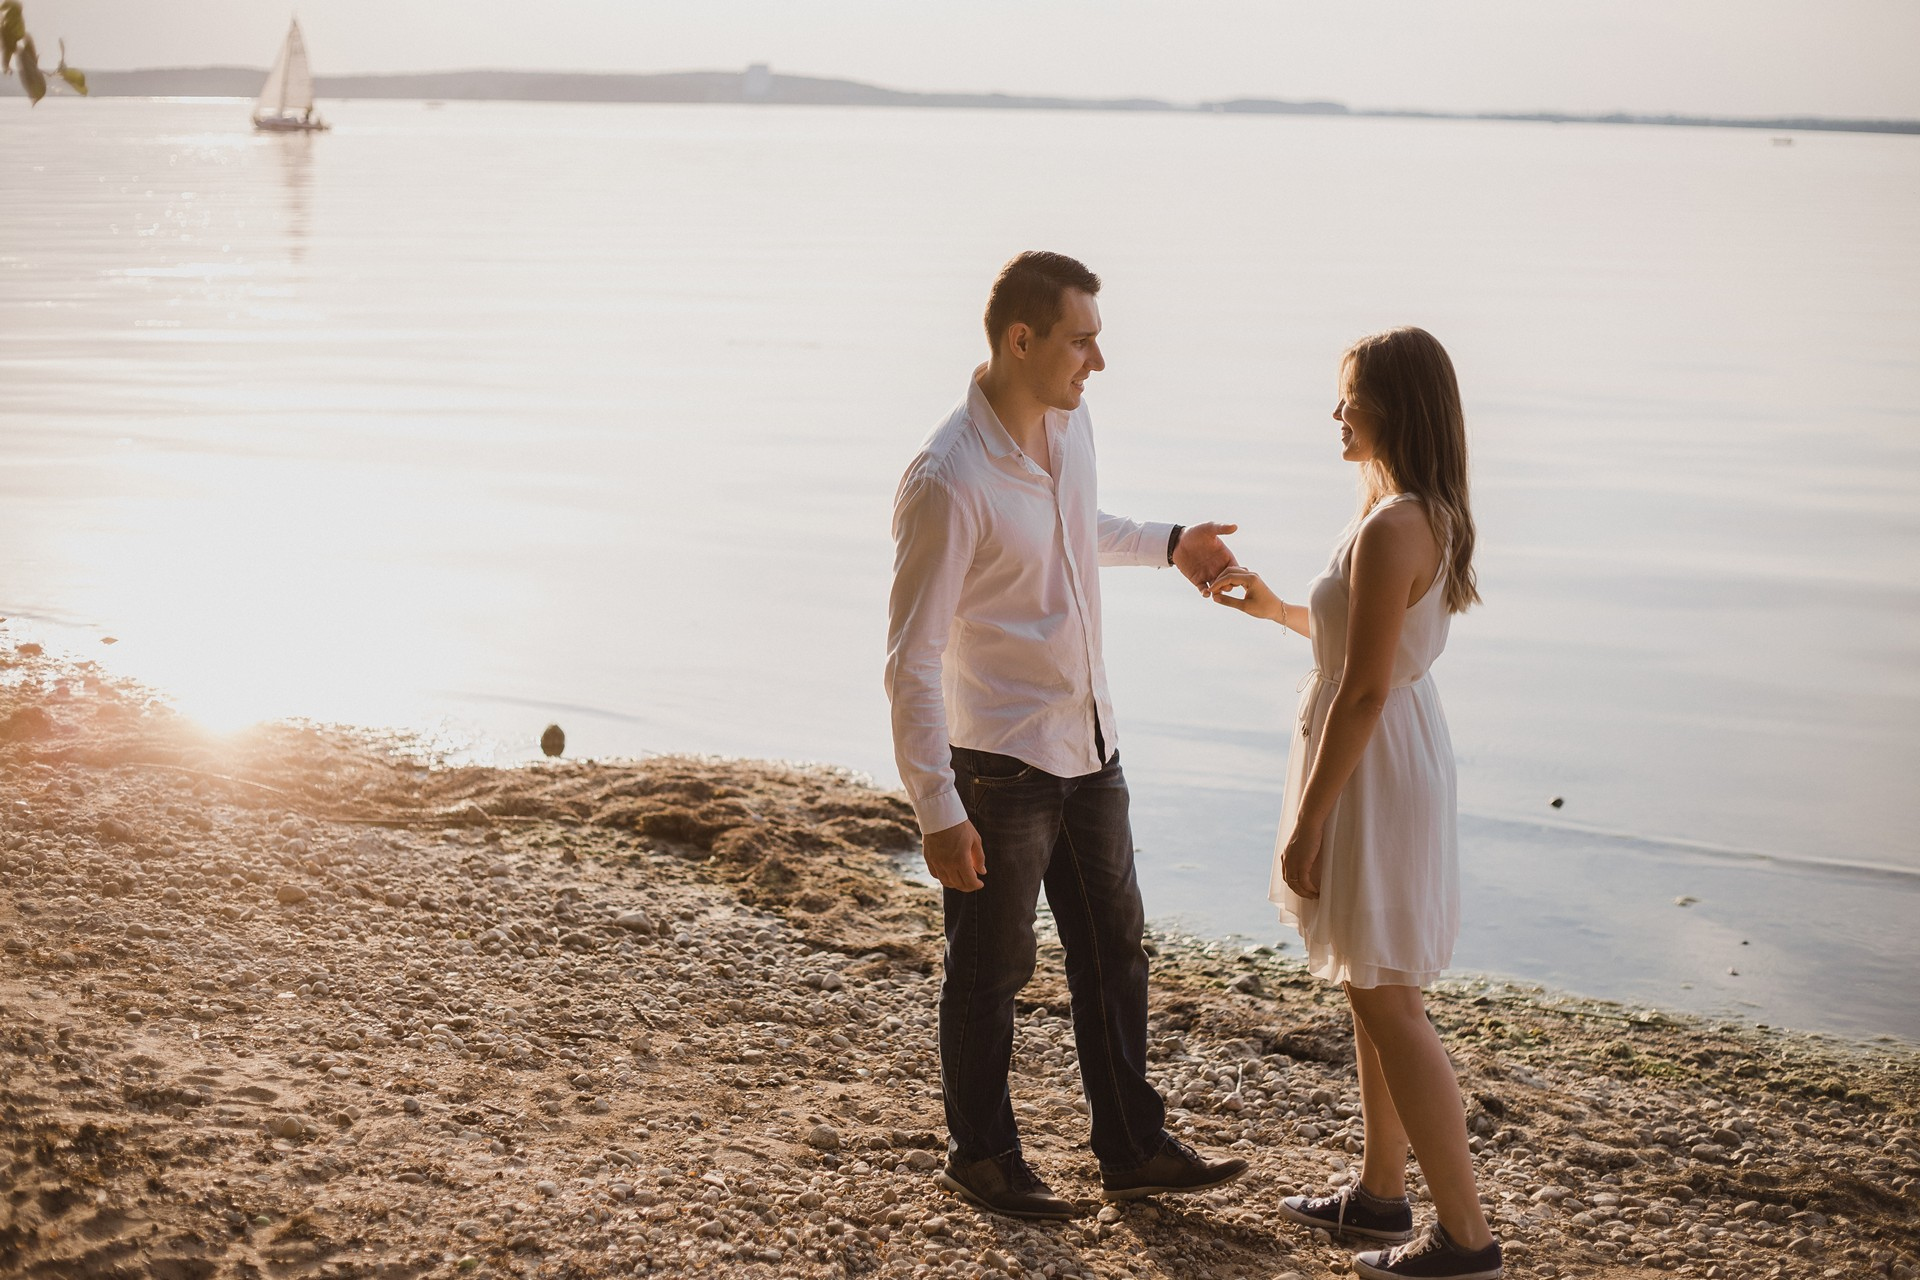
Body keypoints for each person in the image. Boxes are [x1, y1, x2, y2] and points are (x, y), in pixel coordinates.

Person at [885, 251, 1248, 1220]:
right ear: (1022, 338)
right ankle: (985, 1156)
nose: (1098, 360)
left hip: (1091, 743)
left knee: (1114, 951)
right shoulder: (947, 478)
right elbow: (911, 658)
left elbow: (1073, 529)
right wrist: (936, 806)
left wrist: (1169, 542)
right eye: (1083, 339)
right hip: (1000, 764)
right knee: (992, 969)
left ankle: (1131, 1146)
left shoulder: (1069, 428)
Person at [1208, 327, 1503, 1279]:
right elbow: (1360, 651)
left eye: (1350, 398)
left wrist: (1308, 823)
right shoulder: (1412, 513)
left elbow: (1367, 688)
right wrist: (1277, 613)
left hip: (1370, 761)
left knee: (1388, 998)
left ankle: (1467, 1239)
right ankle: (1381, 1196)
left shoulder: (1393, 525)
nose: (1336, 415)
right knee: (1370, 986)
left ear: (1395, 407)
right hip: (1384, 749)